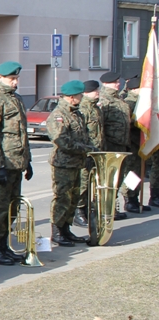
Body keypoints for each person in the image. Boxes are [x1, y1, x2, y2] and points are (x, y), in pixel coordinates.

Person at [0, 61, 32, 266]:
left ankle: (5, 246)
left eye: (17, 78)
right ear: (0, 78)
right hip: (2, 164)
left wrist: (28, 162)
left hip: (16, 163)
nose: (15, 81)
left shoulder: (16, 99)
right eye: (12, 78)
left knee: (13, 207)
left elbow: (22, 135)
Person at [46, 81, 94, 247]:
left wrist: (87, 151)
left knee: (73, 198)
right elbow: (63, 142)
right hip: (63, 164)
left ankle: (66, 229)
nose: (81, 98)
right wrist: (86, 149)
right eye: (80, 95)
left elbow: (84, 135)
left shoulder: (77, 114)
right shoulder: (59, 115)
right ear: (72, 97)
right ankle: (57, 232)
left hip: (76, 163)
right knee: (62, 198)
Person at [99, 71, 132, 220]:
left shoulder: (118, 100)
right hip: (110, 146)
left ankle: (113, 207)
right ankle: (106, 209)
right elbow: (100, 127)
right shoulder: (104, 101)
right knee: (109, 180)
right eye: (115, 82)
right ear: (106, 84)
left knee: (117, 179)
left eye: (118, 82)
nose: (118, 84)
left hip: (122, 145)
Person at [73, 80, 105, 227]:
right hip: (86, 153)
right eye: (94, 91)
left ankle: (86, 209)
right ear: (85, 93)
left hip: (96, 153)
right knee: (83, 184)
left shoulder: (95, 109)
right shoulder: (83, 109)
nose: (97, 93)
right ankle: (78, 212)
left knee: (92, 183)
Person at [122, 77, 145, 213]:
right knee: (131, 172)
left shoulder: (141, 102)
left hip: (139, 143)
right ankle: (129, 199)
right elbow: (126, 124)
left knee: (137, 171)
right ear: (134, 89)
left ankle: (135, 198)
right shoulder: (129, 103)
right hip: (131, 142)